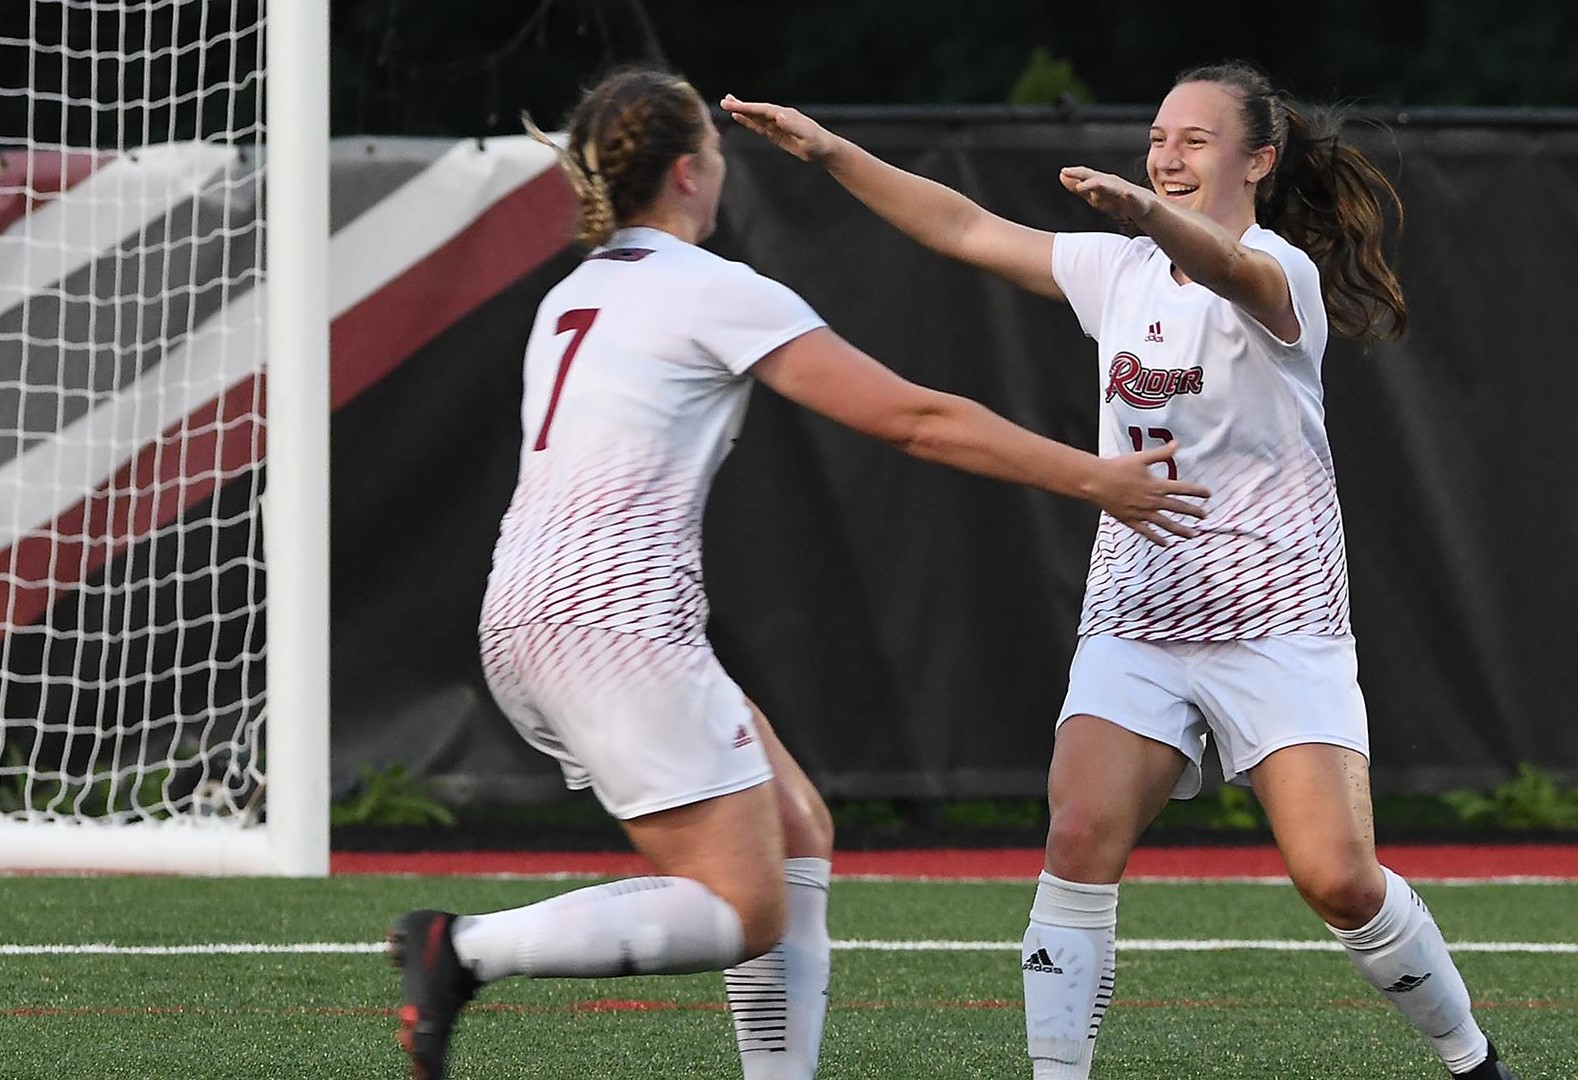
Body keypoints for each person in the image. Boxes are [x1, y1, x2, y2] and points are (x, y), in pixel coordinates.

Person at [387, 65, 1211, 1080]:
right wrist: (1098, 478)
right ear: (690, 171)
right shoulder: (708, 287)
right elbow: (915, 420)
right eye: (718, 156)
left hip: (524, 613)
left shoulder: (573, 293)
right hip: (614, 626)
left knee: (796, 827)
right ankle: (460, 950)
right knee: (743, 906)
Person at [724, 59, 1520, 1080]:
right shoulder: (1122, 268)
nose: (1166, 154)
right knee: (1080, 830)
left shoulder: (1282, 275)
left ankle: (1472, 1060)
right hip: (1137, 620)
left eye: (1193, 140)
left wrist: (1149, 210)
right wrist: (830, 150)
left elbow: (1227, 269)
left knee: (1339, 882)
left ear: (1260, 159)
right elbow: (962, 228)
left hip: (1278, 625)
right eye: (1156, 138)